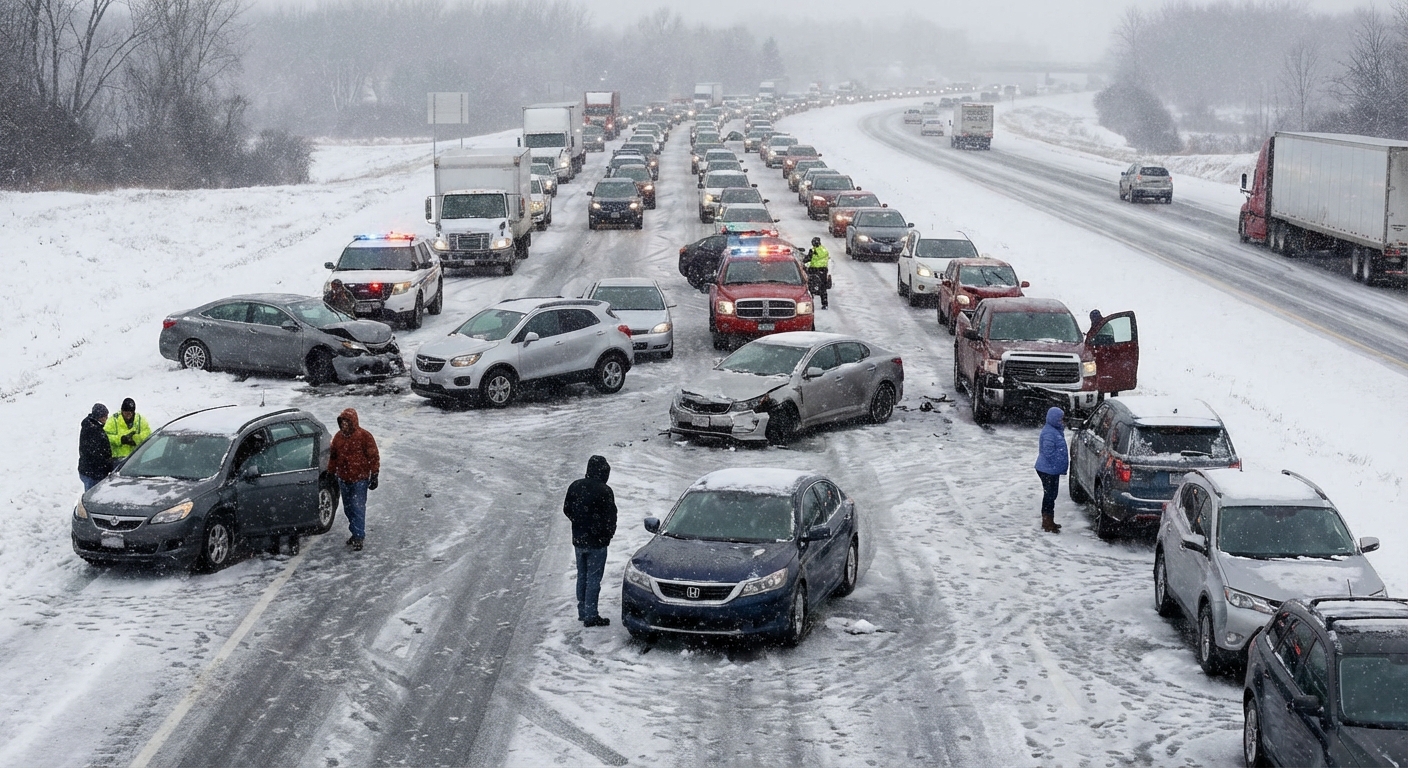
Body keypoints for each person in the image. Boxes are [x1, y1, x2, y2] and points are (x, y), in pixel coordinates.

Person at [562, 455, 617, 627]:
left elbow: (567, 509)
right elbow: (611, 517)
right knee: (593, 579)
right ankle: (591, 615)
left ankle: (583, 611)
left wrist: (579, 523)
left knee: (582, 576)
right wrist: (607, 535)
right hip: (597, 542)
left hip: (579, 540)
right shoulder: (604, 491)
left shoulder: (575, 486)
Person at [329, 408, 379, 551]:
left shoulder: (364, 437)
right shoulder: (338, 438)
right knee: (348, 508)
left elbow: (373, 456)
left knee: (357, 507)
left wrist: (374, 474)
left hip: (359, 479)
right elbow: (333, 457)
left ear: (353, 422)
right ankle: (355, 531)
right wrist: (331, 472)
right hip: (343, 479)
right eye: (342, 422)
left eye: (347, 422)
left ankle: (358, 536)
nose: (344, 425)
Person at [1035, 406, 1070, 533]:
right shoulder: (1050, 432)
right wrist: (1058, 463)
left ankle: (1049, 519)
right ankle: (1047, 522)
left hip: (1051, 469)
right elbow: (1048, 451)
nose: (1063, 421)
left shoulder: (1055, 430)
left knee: (1052, 494)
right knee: (1049, 495)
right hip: (1047, 470)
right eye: (1060, 419)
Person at [79, 403, 113, 490]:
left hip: (90, 471)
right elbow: (96, 454)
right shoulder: (94, 430)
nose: (106, 418)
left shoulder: (91, 426)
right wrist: (108, 465)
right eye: (105, 416)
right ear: (99, 416)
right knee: (92, 497)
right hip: (93, 473)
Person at [805, 236, 830, 309]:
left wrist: (804, 260)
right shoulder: (824, 249)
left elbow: (808, 259)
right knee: (823, 288)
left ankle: (809, 303)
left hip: (814, 270)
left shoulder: (813, 250)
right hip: (823, 270)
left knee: (810, 286)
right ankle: (825, 303)